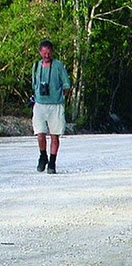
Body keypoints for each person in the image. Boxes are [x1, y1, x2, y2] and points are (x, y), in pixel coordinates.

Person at [31, 39, 71, 174]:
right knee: (40, 133)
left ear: (52, 52)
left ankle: (52, 162)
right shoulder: (36, 66)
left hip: (55, 105)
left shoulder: (58, 66)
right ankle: (43, 156)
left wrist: (60, 96)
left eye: (49, 53)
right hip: (40, 104)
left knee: (55, 135)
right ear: (40, 52)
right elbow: (34, 84)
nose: (46, 56)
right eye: (44, 53)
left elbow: (66, 84)